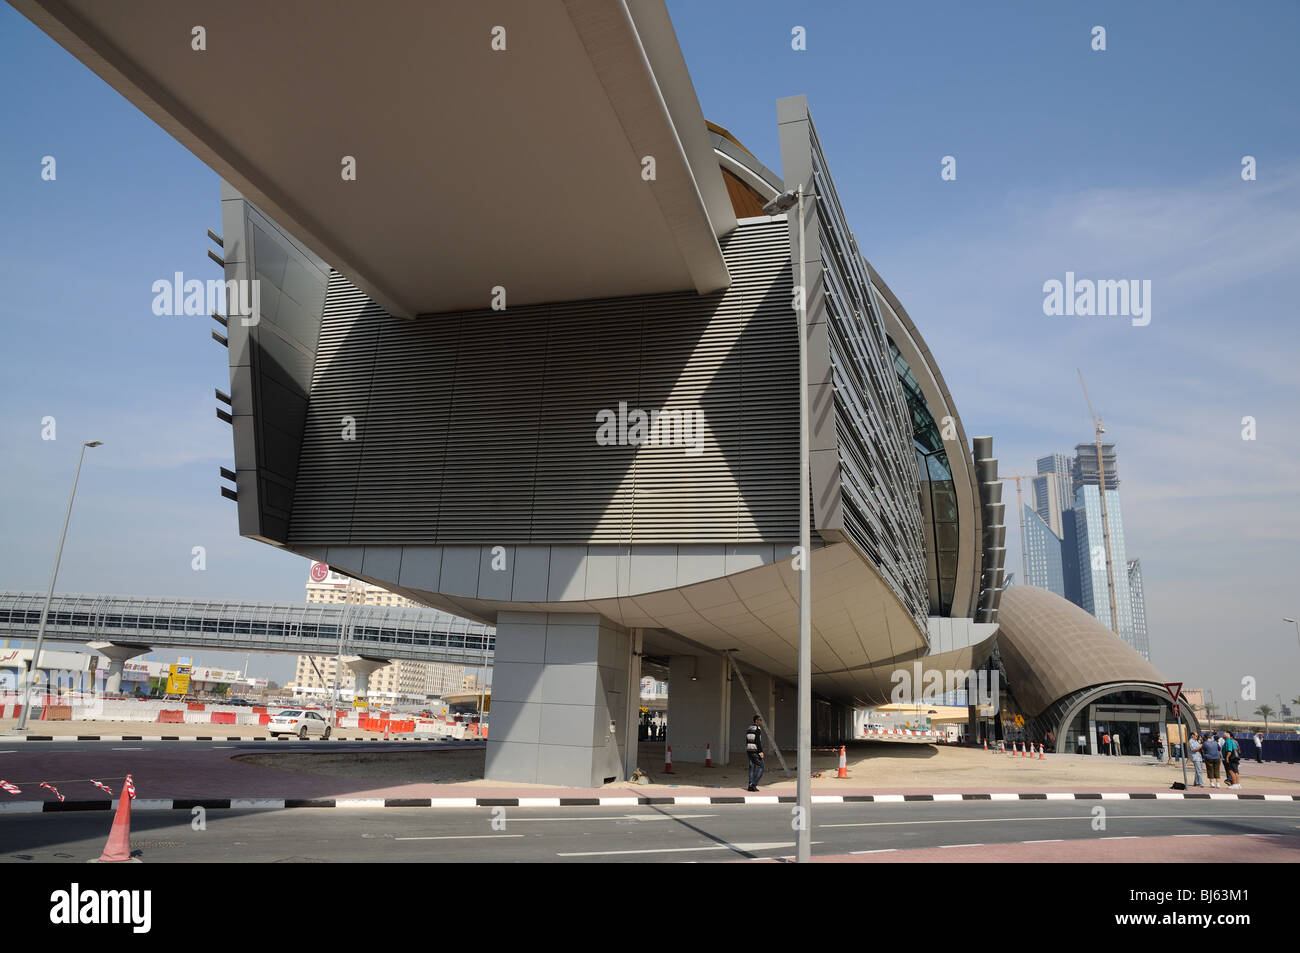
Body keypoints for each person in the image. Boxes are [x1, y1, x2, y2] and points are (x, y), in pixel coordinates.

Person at [745, 714, 765, 792]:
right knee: (761, 766)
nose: (761, 721)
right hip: (755, 751)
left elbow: (747, 740)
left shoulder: (749, 728)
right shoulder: (757, 728)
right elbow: (757, 741)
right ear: (756, 720)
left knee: (752, 768)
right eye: (760, 720)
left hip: (749, 750)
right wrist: (760, 752)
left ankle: (750, 786)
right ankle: (753, 784)